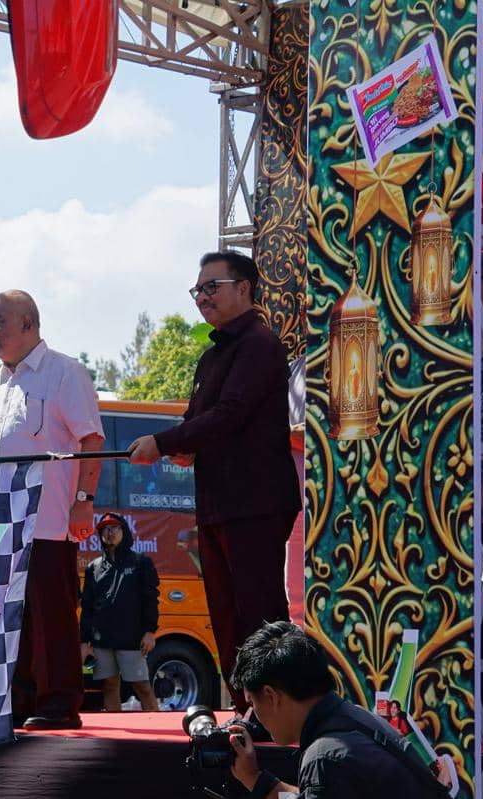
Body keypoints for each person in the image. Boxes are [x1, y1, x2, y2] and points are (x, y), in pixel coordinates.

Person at [126, 251, 300, 711]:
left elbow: (231, 414)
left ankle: (279, 710)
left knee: (258, 612)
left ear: (244, 288)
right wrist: (182, 446)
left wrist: (163, 443)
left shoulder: (260, 345)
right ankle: (247, 709)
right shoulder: (211, 355)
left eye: (211, 287)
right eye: (197, 290)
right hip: (217, 501)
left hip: (256, 501)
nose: (202, 298)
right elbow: (198, 421)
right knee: (224, 615)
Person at [0, 290, 105, 731]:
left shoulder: (65, 372)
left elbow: (92, 440)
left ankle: (59, 702)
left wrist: (83, 503)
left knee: (52, 614)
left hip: (47, 520)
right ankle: (18, 701)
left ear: (28, 322)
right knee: (5, 616)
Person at [227, 621, 448, 798]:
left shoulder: (325, 758)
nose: (255, 714)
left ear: (271, 696)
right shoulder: (356, 720)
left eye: (252, 703)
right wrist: (254, 778)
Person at [79, 512, 160, 712]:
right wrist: (83, 642)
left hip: (132, 638)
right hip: (101, 641)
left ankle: (158, 730)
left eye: (115, 528)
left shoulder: (141, 563)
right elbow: (87, 608)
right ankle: (116, 737)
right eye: (105, 529)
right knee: (109, 686)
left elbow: (151, 600)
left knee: (143, 687)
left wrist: (150, 632)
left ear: (124, 531)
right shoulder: (93, 568)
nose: (110, 532)